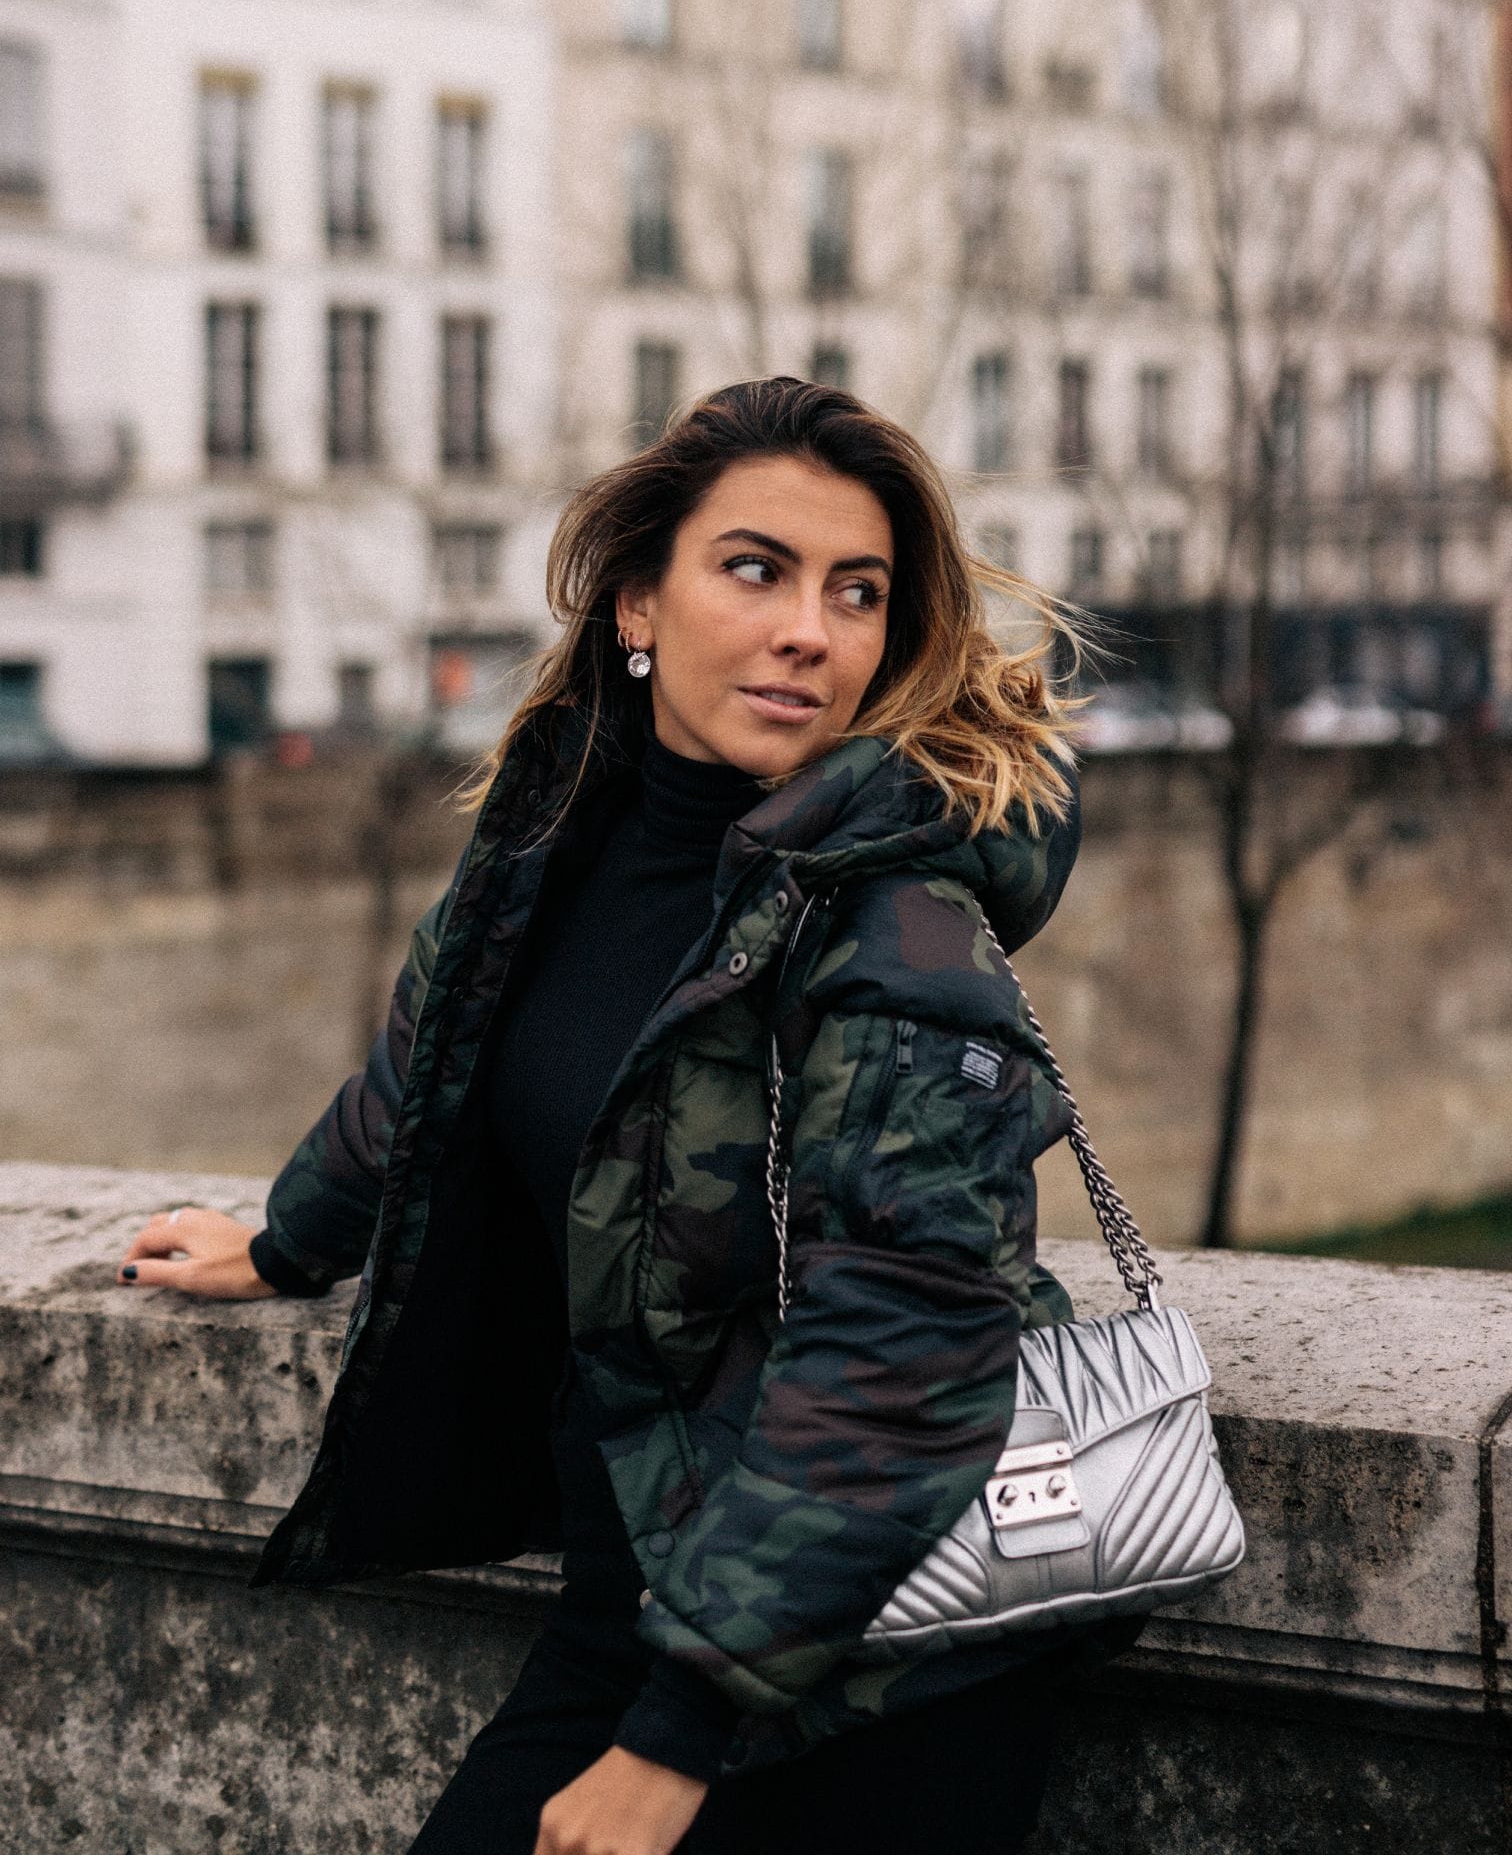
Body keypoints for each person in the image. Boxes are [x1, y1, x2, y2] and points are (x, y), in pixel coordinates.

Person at [118, 377, 1130, 1855]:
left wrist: (676, 1738)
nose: (811, 629)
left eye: (858, 594)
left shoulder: (893, 921)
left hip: (878, 1672)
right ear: (636, 606)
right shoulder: (552, 840)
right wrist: (287, 1243)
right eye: (756, 569)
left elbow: (906, 1339)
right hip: (645, 1604)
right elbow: (433, 1072)